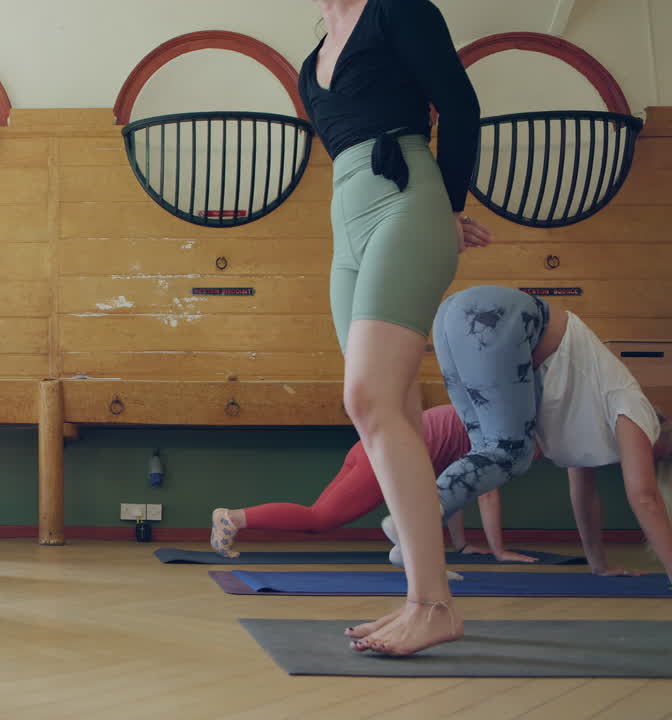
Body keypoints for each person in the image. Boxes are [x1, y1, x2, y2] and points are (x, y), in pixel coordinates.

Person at [299, 0, 490, 655]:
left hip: (405, 204)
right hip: (346, 227)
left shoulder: (397, 11)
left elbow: (460, 108)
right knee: (389, 413)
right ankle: (421, 596)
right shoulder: (309, 65)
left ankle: (432, 605)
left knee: (368, 397)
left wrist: (448, 208)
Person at [373, 287, 672, 595]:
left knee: (485, 453)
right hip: (498, 315)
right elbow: (645, 496)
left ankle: (412, 542)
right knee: (511, 453)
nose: (653, 459)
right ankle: (410, 521)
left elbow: (584, 495)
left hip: (453, 315)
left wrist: (599, 565)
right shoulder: (637, 411)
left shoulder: (593, 423)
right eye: (664, 457)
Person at [210, 405, 537, 563]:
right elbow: (487, 493)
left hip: (368, 448)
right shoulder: (495, 436)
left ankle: (233, 518)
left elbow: (454, 492)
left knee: (316, 515)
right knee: (319, 520)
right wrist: (499, 552)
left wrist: (461, 546)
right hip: (382, 456)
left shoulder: (477, 414)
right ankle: (232, 517)